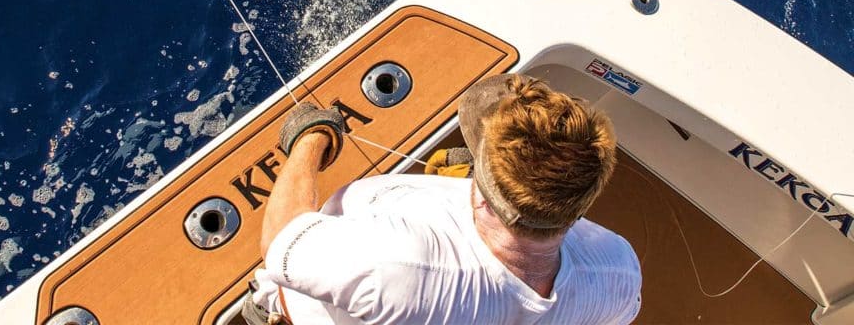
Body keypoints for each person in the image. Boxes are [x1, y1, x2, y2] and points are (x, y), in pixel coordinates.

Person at [243, 74, 642, 324]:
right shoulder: (618, 271)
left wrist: (310, 138)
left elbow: (280, 240)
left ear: (488, 197)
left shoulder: (396, 266)